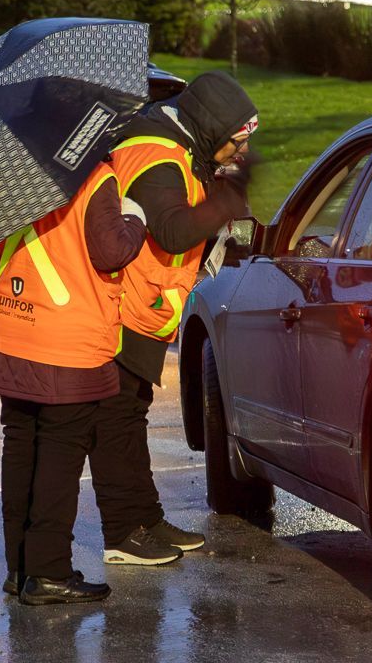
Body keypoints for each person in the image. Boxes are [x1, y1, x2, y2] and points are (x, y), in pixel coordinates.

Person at [88, 70, 260, 565]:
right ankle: (123, 531)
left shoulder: (180, 149)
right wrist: (223, 201)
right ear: (211, 127)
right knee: (116, 422)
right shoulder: (155, 153)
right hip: (123, 305)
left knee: (130, 415)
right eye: (237, 141)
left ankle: (146, 517)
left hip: (145, 303)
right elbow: (169, 229)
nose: (241, 152)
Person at [0, 159, 148, 604]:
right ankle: (50, 571)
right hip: (65, 337)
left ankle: (20, 569)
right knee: (61, 449)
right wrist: (135, 218)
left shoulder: (8, 170)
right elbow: (112, 251)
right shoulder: (94, 175)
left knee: (21, 445)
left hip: (13, 327)